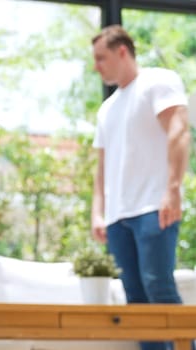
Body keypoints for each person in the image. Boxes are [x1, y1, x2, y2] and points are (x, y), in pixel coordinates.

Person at [90, 25, 191, 350]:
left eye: (101, 58)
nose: (97, 66)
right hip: (118, 217)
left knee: (158, 288)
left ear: (122, 51)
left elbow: (179, 131)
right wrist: (98, 213)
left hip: (153, 207)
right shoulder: (107, 108)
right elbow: (102, 169)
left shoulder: (157, 82)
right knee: (135, 301)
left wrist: (172, 189)